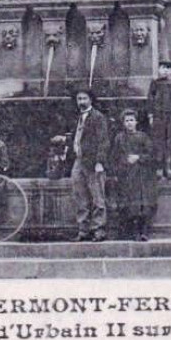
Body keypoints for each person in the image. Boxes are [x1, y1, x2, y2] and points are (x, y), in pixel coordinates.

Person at [110, 109, 158, 241]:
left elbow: (151, 155)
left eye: (132, 120)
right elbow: (114, 156)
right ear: (123, 123)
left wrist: (138, 157)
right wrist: (123, 162)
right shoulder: (119, 138)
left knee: (142, 204)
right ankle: (133, 231)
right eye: (127, 121)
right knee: (129, 204)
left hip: (141, 176)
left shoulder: (143, 137)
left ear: (136, 122)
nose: (129, 123)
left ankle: (143, 231)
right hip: (126, 176)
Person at [70, 88, 109, 242]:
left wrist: (99, 162)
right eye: (79, 99)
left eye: (84, 98)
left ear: (91, 100)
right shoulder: (78, 118)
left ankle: (99, 230)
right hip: (79, 161)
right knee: (80, 196)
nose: (81, 102)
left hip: (93, 163)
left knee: (97, 197)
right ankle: (83, 230)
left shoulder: (98, 117)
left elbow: (103, 141)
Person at [147, 60, 171, 178]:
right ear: (158, 69)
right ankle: (159, 168)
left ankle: (168, 167)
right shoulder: (155, 83)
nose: (165, 70)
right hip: (158, 115)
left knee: (170, 141)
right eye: (162, 67)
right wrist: (151, 115)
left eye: (168, 68)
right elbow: (150, 99)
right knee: (158, 140)